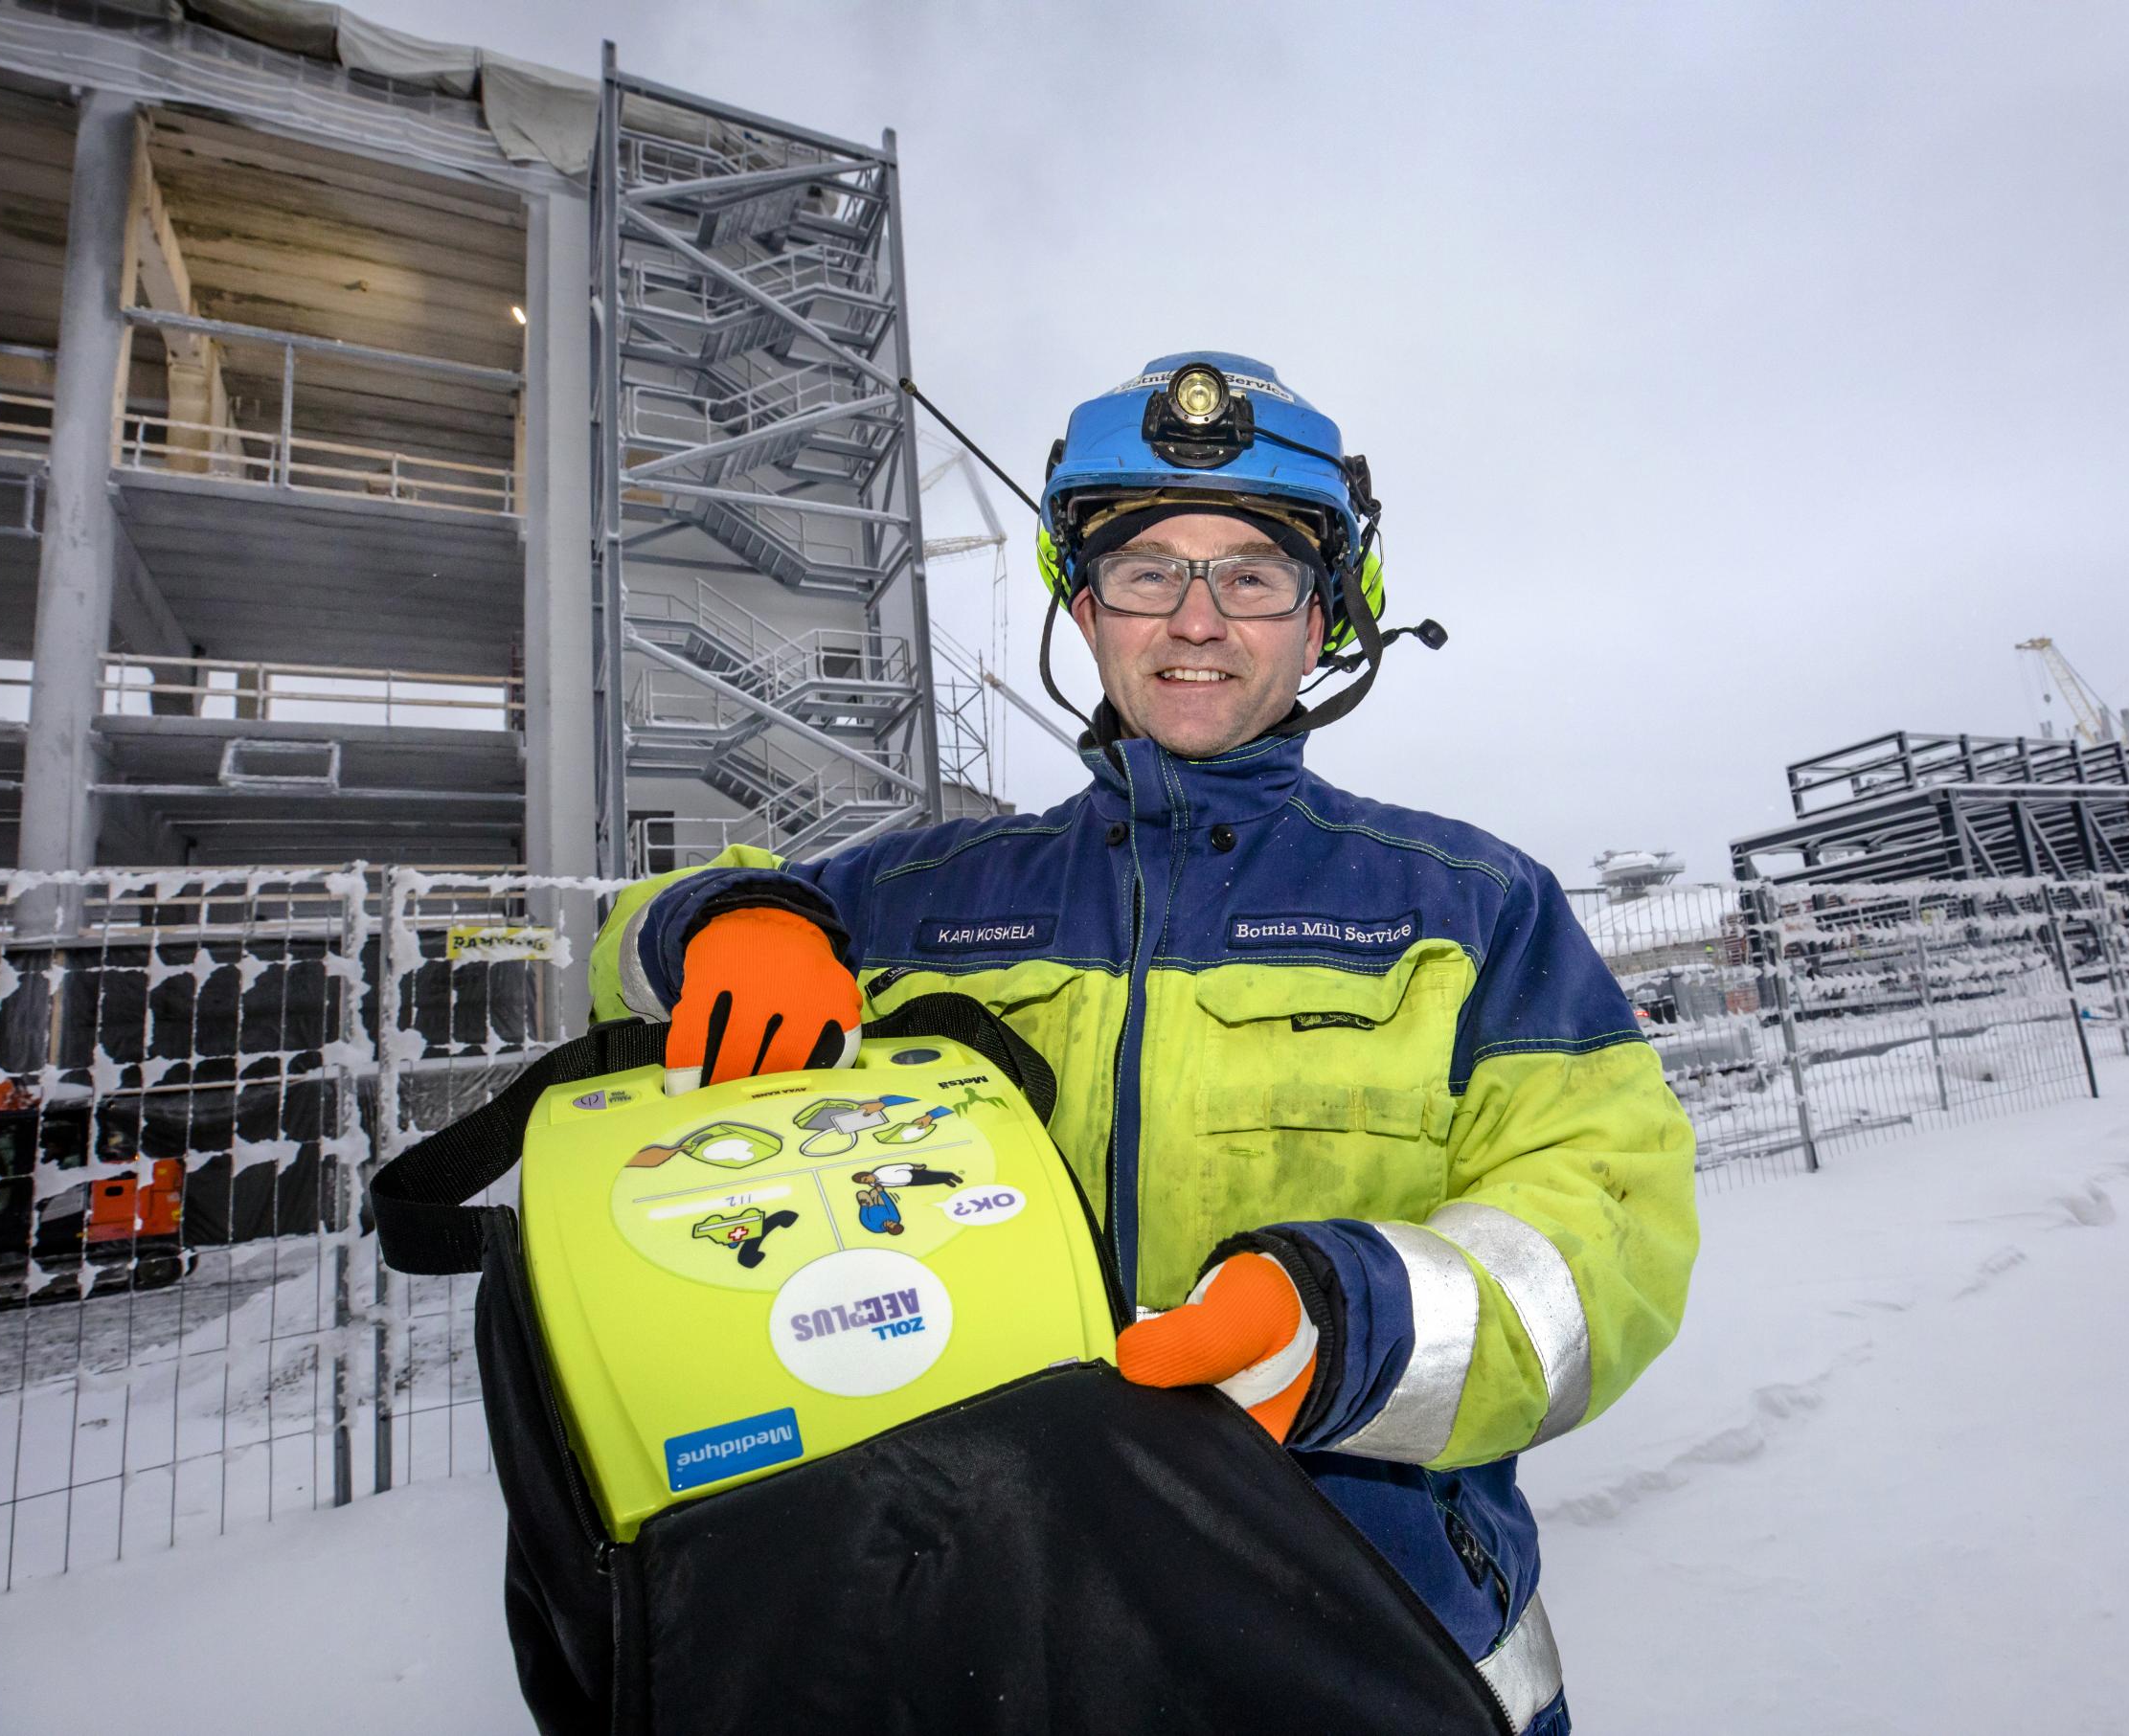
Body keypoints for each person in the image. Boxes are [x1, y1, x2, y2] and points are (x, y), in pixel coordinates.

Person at [586, 353, 1698, 1734]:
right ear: (1081, 601)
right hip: (979, 1656)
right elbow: (628, 992)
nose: (1197, 618)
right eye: (1146, 567)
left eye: (1251, 572)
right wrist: (724, 916)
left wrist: (1352, 1319)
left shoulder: (1472, 908)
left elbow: (1610, 1233)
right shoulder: (918, 896)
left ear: (1327, 617)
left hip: (1376, 1645)